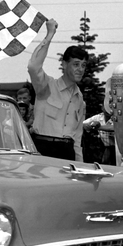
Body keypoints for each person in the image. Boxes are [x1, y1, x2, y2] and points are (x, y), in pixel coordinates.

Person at [26, 19, 86, 161]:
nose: (80, 69)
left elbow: (77, 137)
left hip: (67, 153)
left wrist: (80, 165)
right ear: (64, 64)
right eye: (76, 64)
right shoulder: (47, 86)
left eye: (83, 65)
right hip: (42, 150)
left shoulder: (80, 99)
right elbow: (33, 67)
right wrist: (49, 34)